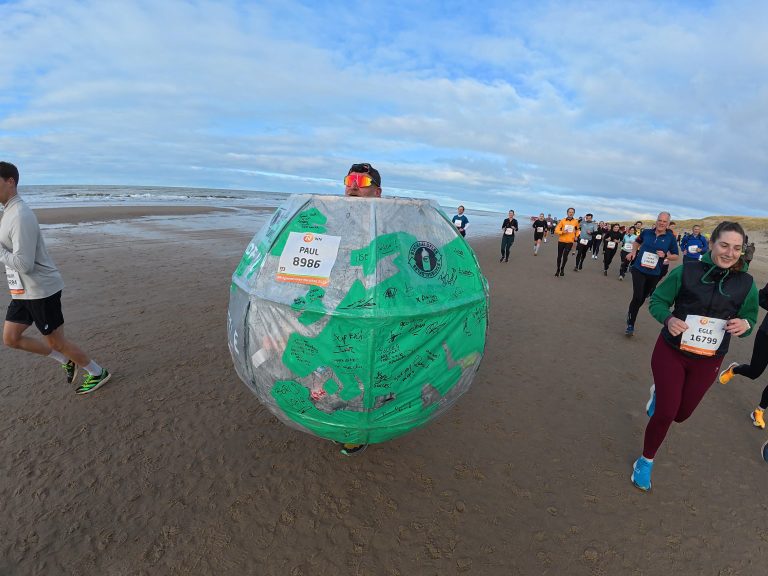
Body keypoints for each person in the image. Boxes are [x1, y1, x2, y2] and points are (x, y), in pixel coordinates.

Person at [631, 221, 758, 491]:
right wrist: (667, 319)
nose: (729, 252)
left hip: (709, 359)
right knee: (666, 412)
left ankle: (658, 396)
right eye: (724, 245)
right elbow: (658, 301)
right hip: (671, 351)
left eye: (736, 248)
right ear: (711, 244)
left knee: (681, 414)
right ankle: (645, 460)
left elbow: (750, 318)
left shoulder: (746, 284)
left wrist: (745, 326)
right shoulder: (686, 271)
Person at [0, 161, 111, 394]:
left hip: (41, 290)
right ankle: (66, 361)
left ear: (10, 181)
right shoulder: (8, 212)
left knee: (57, 342)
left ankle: (97, 372)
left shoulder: (20, 215)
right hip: (22, 290)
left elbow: (24, 264)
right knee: (11, 338)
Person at [339, 162, 386, 455]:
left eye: (362, 181)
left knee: (367, 372)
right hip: (339, 311)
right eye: (349, 179)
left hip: (373, 311)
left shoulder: (389, 223)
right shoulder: (334, 220)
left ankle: (358, 430)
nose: (353, 185)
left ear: (377, 192)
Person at [718, 282, 768, 428]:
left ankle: (759, 411)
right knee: (754, 372)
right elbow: (762, 297)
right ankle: (734, 369)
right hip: (766, 335)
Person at [624, 212, 679, 336]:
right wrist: (633, 252)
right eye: (660, 220)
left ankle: (632, 311)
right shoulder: (647, 232)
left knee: (642, 298)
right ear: (657, 220)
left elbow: (676, 256)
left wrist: (666, 256)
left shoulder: (670, 238)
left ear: (668, 223)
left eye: (664, 221)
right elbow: (637, 242)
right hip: (638, 268)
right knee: (637, 296)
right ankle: (631, 323)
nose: (661, 223)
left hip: (654, 273)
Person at [553, 208, 579, 277]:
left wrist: (576, 236)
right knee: (559, 256)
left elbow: (578, 230)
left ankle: (562, 268)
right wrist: (562, 232)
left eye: (572, 212)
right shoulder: (562, 221)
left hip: (570, 241)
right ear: (567, 213)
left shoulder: (576, 222)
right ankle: (558, 269)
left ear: (574, 213)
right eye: (569, 212)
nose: (571, 213)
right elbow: (556, 230)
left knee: (565, 256)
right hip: (561, 241)